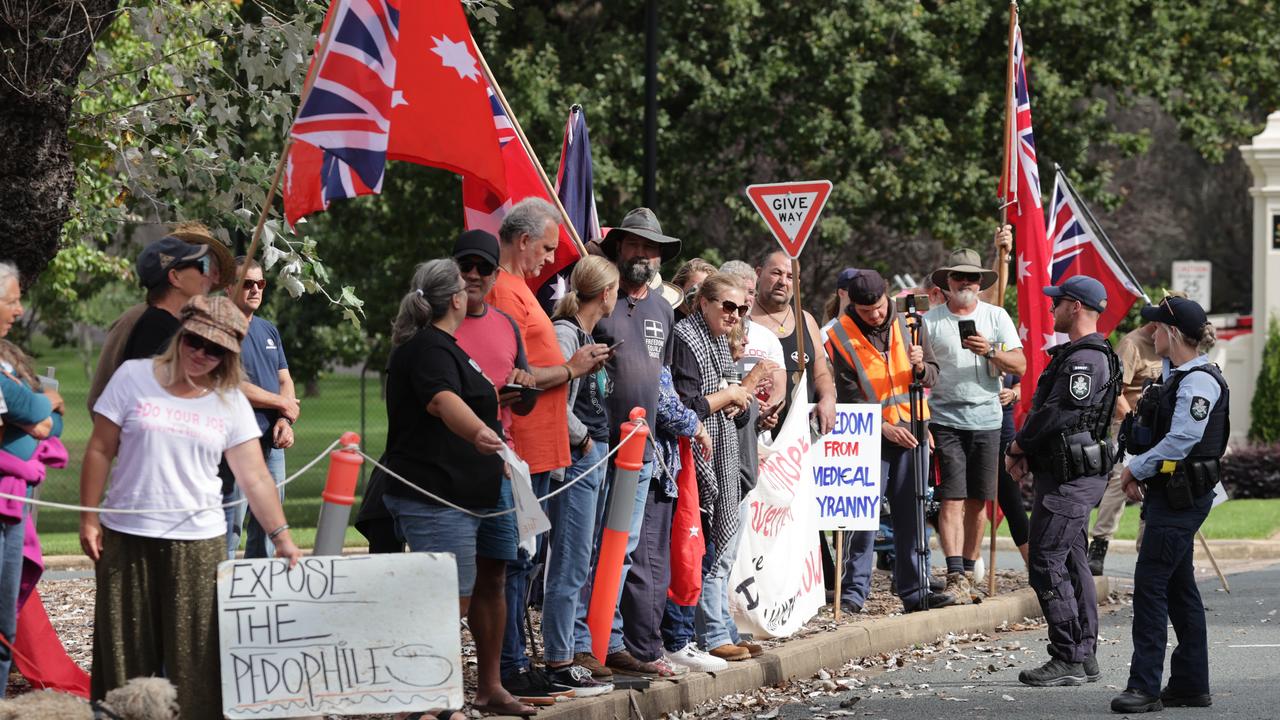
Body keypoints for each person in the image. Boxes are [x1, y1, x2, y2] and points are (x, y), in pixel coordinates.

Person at [80, 296, 301, 718]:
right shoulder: (132, 377)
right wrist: (88, 517)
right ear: (181, 335)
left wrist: (282, 537)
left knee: (196, 663)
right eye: (195, 341)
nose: (201, 353)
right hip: (127, 537)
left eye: (215, 348)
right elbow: (99, 448)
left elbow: (255, 477)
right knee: (123, 657)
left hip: (197, 542)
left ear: (230, 354)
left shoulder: (230, 400)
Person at [376, 259, 536, 717]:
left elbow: (460, 395)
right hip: (437, 493)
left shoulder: (451, 347)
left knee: (492, 581)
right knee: (449, 593)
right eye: (466, 287)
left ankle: (489, 689)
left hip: (483, 490)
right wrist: (480, 433)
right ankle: (425, 700)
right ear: (454, 300)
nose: (472, 292)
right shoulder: (426, 347)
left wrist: (493, 402)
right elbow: (442, 401)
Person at [487, 198, 607, 701]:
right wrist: (573, 369)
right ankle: (512, 665)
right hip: (524, 446)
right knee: (516, 561)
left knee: (526, 560)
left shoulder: (522, 290)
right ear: (523, 241)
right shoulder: (503, 290)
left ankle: (520, 663)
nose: (551, 259)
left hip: (543, 449)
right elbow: (514, 373)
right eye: (548, 247)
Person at [1109, 297, 1226, 714]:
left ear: (1172, 334)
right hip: (1173, 494)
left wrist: (1134, 469)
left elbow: (1182, 440)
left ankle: (1143, 687)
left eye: (1156, 328)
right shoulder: (1177, 375)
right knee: (1179, 590)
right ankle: (1191, 685)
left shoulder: (1198, 381)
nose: (1150, 334)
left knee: (1151, 586)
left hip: (1181, 499)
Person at [1005, 276, 1119, 687]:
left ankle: (1069, 654)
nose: (1052, 308)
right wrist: (1028, 453)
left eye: (1058, 302)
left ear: (1075, 306)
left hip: (1073, 478)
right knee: (1071, 561)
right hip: (1065, 473)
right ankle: (1083, 653)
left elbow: (1059, 414)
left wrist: (1018, 445)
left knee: (1045, 561)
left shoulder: (1085, 359)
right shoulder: (1080, 354)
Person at [824, 270, 955, 614]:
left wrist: (921, 368)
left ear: (887, 297)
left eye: (880, 308)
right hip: (869, 436)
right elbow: (848, 395)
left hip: (913, 433)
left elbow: (934, 372)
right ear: (853, 305)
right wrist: (882, 425)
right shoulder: (839, 336)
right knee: (861, 519)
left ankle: (916, 591)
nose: (877, 315)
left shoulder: (911, 323)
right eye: (867, 312)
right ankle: (853, 593)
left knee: (911, 516)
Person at [590, 207, 684, 677]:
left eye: (651, 248)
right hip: (596, 448)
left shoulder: (664, 309)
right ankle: (589, 645)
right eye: (634, 245)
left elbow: (662, 379)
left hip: (644, 452)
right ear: (618, 249)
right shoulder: (597, 301)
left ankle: (618, 642)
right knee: (594, 550)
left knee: (628, 551)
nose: (643, 254)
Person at [672, 273, 773, 661]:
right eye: (728, 306)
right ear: (703, 303)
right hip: (696, 458)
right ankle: (706, 635)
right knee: (706, 552)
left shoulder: (715, 339)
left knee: (720, 553)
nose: (736, 315)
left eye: (742, 308)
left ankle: (721, 628)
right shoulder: (686, 337)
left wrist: (737, 395)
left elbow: (722, 395)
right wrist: (732, 392)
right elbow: (689, 404)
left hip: (725, 456)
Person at [923, 246, 1025, 603]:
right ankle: (954, 575)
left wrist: (991, 351)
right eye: (958, 276)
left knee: (980, 501)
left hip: (987, 420)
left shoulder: (996, 317)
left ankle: (968, 570)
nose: (965, 282)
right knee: (951, 498)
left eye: (972, 277)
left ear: (980, 283)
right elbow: (918, 373)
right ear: (947, 282)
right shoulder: (930, 321)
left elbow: (1021, 365)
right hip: (945, 420)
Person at [540, 256, 620, 696]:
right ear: (605, 293)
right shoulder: (564, 333)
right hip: (577, 459)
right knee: (569, 560)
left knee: (581, 557)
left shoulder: (586, 334)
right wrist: (583, 439)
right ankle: (559, 658)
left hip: (596, 455)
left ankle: (567, 650)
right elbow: (555, 397)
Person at [87, 224, 235, 412]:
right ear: (175, 276)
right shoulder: (152, 325)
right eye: (203, 265)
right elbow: (149, 404)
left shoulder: (176, 324)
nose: (214, 278)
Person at [0, 261, 64, 697]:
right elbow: (41, 413)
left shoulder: (7, 361)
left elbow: (48, 424)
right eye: (13, 300)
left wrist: (38, 411)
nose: (20, 310)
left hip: (14, 507)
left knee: (4, 622)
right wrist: (43, 405)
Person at [223, 257, 299, 559]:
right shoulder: (222, 329)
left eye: (261, 283)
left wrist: (285, 419)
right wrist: (283, 403)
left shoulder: (269, 330)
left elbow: (285, 379)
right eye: (248, 283)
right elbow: (230, 384)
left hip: (272, 441)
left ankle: (261, 598)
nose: (255, 289)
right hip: (236, 442)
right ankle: (218, 598)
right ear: (229, 289)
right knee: (231, 526)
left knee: (270, 527)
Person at [1088, 323, 1163, 575]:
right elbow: (1115, 390)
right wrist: (1134, 424)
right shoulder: (1132, 344)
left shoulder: (1170, 344)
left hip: (1159, 428)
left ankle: (1148, 550)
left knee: (1156, 485)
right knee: (1121, 480)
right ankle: (1099, 544)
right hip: (1128, 424)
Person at [749, 249, 836, 436]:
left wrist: (828, 398)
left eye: (790, 277)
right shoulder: (742, 319)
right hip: (755, 433)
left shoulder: (806, 320)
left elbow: (821, 373)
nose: (783, 282)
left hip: (799, 441)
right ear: (758, 273)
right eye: (776, 273)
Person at [996, 373, 1030, 564]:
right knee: (969, 500)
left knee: (1011, 499)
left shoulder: (1009, 343)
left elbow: (1020, 384)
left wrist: (1014, 394)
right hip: (969, 426)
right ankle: (964, 569)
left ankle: (1035, 568)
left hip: (1004, 427)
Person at [670, 258, 716, 322]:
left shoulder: (709, 324)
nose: (702, 295)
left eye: (708, 290)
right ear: (678, 286)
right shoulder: (666, 320)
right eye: (697, 287)